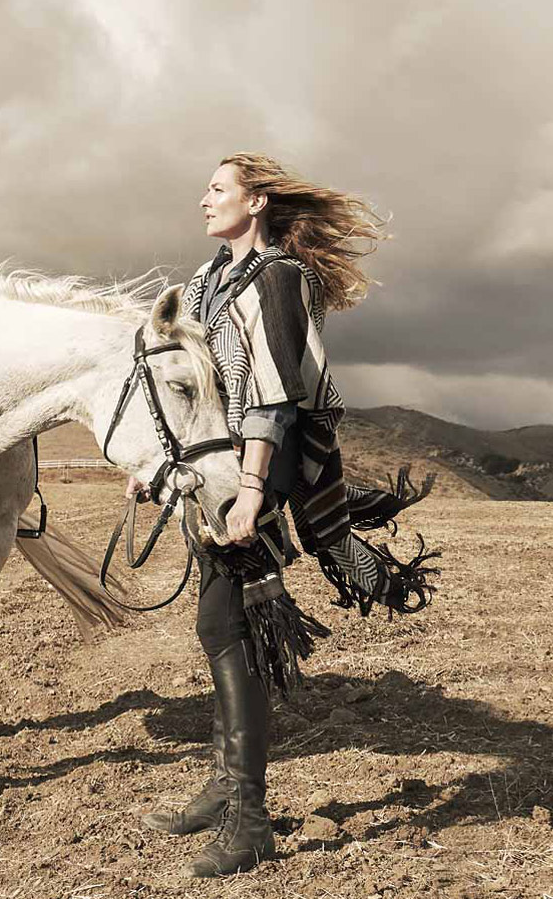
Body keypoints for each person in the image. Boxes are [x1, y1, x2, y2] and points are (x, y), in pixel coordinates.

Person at [128, 152, 428, 878]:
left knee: (236, 632)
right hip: (219, 472)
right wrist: (164, 467)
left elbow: (272, 397)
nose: (204, 198)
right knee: (221, 627)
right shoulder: (203, 282)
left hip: (261, 468)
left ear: (257, 201)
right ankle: (228, 786)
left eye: (219, 187)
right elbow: (194, 392)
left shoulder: (280, 279)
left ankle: (250, 818)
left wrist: (255, 488)